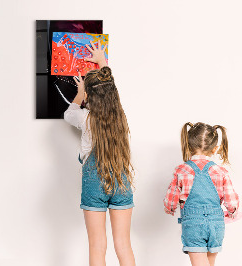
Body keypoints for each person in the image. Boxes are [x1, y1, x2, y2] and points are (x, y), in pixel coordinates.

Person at [64, 40, 136, 266]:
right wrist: (102, 62)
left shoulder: (85, 118)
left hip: (94, 182)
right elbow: (109, 87)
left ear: (90, 96)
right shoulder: (120, 117)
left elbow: (69, 113)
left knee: (97, 245)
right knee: (123, 244)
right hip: (121, 178)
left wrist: (80, 93)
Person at [164, 122, 240, 266]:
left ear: (188, 145)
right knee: (210, 262)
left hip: (193, 224)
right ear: (215, 149)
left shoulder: (182, 170)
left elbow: (171, 198)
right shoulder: (220, 172)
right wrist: (232, 212)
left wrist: (170, 208)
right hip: (216, 224)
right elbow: (231, 200)